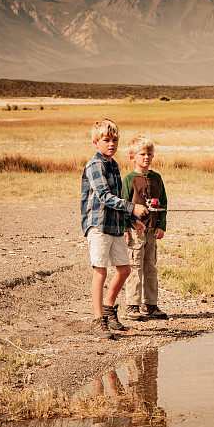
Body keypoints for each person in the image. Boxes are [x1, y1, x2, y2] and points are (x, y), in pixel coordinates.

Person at [81, 119, 148, 340]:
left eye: (114, 140)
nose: (111, 144)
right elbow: (105, 197)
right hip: (99, 226)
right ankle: (98, 320)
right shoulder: (95, 165)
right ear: (95, 142)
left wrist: (131, 219)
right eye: (106, 140)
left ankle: (109, 308)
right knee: (100, 271)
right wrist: (133, 207)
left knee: (124, 269)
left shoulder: (114, 165)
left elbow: (118, 198)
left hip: (116, 225)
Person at [122, 136, 168, 320]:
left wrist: (161, 226)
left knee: (150, 267)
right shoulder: (128, 179)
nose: (146, 157)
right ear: (133, 157)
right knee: (135, 266)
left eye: (149, 154)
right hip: (135, 231)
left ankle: (150, 304)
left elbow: (163, 203)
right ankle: (132, 304)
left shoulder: (157, 178)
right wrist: (126, 228)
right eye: (142, 154)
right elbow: (123, 204)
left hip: (152, 230)